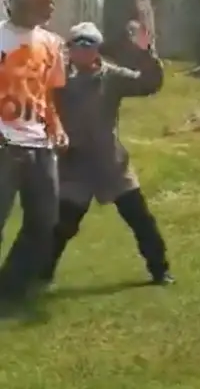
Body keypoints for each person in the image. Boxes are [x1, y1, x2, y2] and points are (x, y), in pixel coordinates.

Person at [40, 20, 173, 286]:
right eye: (77, 44)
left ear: (97, 48)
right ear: (69, 48)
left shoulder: (112, 77)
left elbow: (148, 84)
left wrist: (146, 53)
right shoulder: (58, 79)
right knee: (62, 225)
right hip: (74, 165)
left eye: (89, 44)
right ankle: (41, 275)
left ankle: (160, 270)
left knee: (140, 219)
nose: (83, 50)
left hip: (111, 164)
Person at [0, 0, 68, 302]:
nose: (52, 6)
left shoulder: (53, 43)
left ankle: (10, 288)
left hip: (40, 145)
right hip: (4, 146)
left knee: (44, 222)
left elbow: (48, 93)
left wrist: (57, 127)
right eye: (45, 0)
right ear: (18, 4)